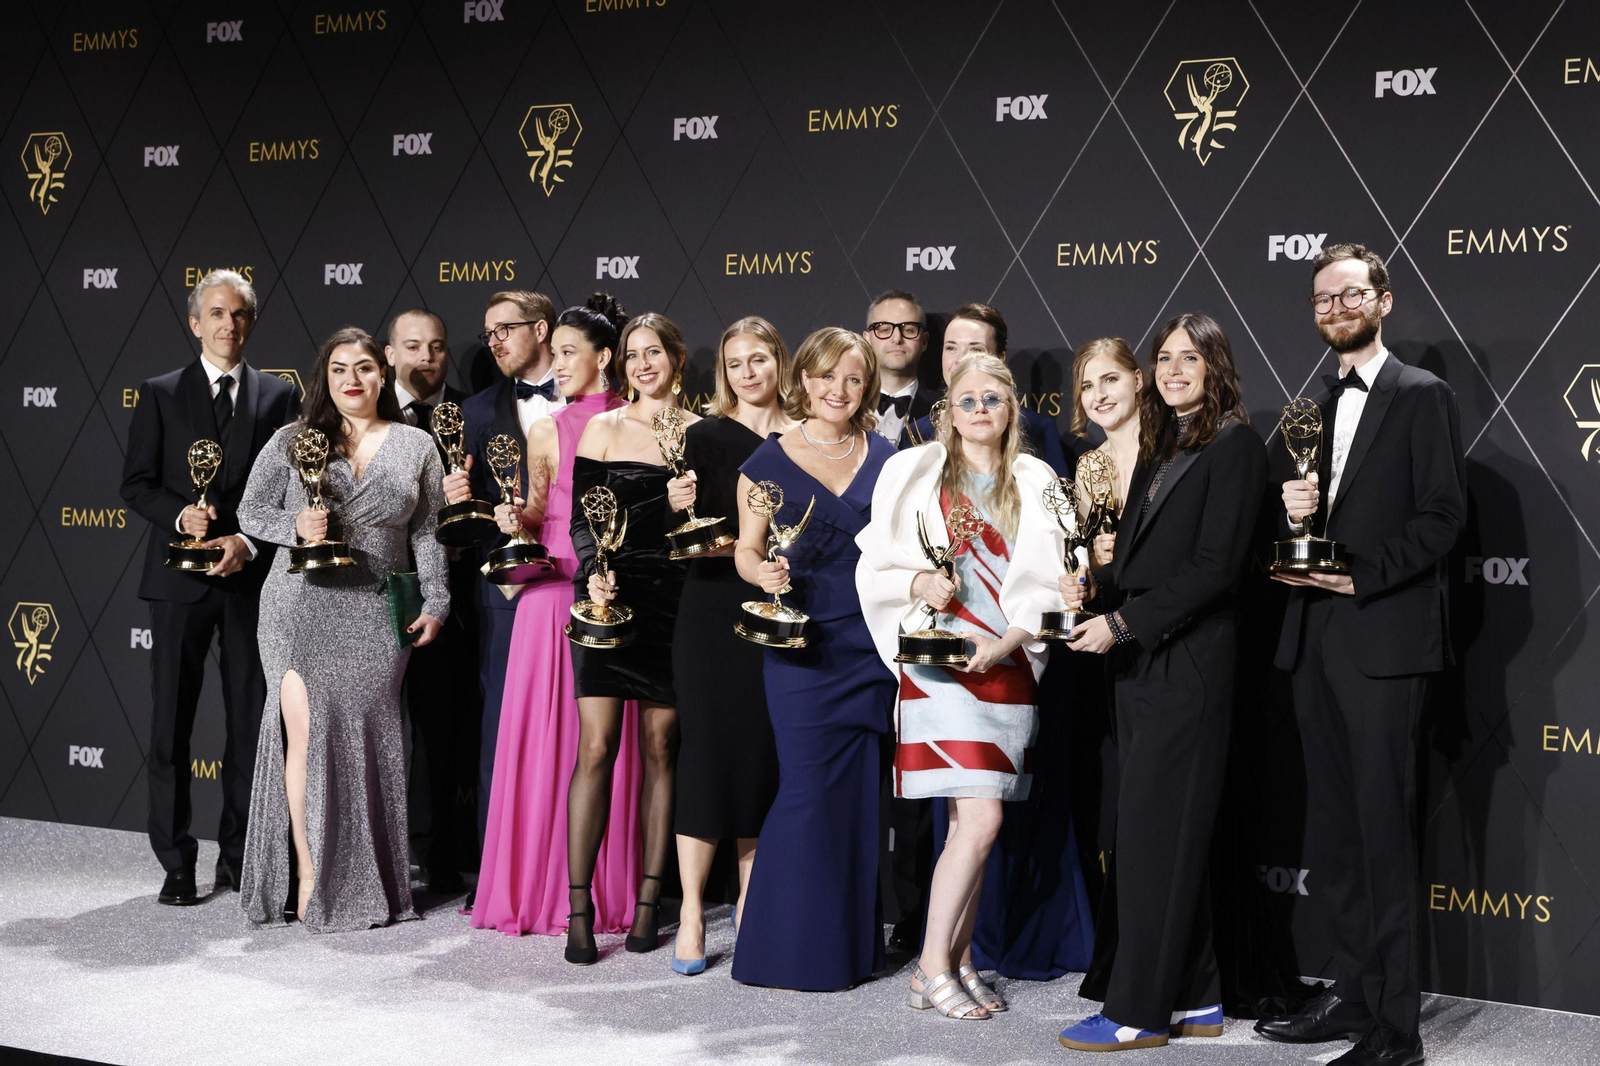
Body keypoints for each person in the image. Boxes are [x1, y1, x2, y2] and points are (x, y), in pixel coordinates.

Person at [1254, 245, 1464, 1066]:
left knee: (1381, 836)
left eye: (1349, 294)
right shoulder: (1309, 407)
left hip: (1383, 640)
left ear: (1383, 301)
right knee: (1335, 836)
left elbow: (1445, 515)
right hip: (1314, 642)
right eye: (1321, 298)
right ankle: (1350, 993)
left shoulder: (1422, 396)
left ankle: (1395, 1031)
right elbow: (1301, 534)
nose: (1334, 307)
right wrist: (1295, 511)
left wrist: (1358, 574)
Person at [1055, 313, 1265, 1051]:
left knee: (1151, 843)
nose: (1175, 369)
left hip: (1190, 666)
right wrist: (1096, 582)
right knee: (1165, 840)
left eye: (1189, 358)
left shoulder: (1236, 446)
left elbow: (1215, 568)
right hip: (1143, 667)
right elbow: (1147, 560)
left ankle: (1137, 1012)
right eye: (1165, 358)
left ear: (1215, 365)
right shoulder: (1165, 441)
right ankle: (1199, 999)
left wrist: (1121, 623)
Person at [857, 353, 1065, 1019]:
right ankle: (930, 967)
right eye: (967, 400)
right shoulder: (910, 470)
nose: (979, 410)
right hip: (938, 662)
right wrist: (919, 583)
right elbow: (874, 563)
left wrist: (1011, 639)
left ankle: (962, 954)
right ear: (947, 410)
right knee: (982, 817)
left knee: (965, 825)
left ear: (1012, 412)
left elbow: (1067, 570)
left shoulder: (1039, 478)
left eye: (993, 400)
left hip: (1009, 662)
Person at [237, 328, 450, 931]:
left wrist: (436, 600)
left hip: (375, 611)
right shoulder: (291, 440)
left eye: (363, 367)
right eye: (338, 369)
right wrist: (295, 526)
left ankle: (365, 877)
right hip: (298, 606)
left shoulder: (416, 446)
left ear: (383, 373)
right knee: (304, 737)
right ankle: (309, 873)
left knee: (367, 740)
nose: (351, 379)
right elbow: (250, 512)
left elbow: (428, 532)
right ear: (323, 379)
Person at [120, 269, 299, 906]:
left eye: (240, 315)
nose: (229, 325)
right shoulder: (161, 392)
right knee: (170, 724)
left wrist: (247, 543)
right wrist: (180, 514)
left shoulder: (278, 397)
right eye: (217, 314)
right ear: (196, 323)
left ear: (251, 323)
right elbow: (135, 482)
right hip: (178, 584)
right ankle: (174, 863)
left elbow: (287, 491)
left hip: (250, 581)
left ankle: (240, 860)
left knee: (254, 725)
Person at [729, 327, 898, 992]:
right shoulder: (764, 464)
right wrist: (760, 574)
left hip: (871, 647)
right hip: (801, 647)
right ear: (803, 378)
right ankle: (782, 949)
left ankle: (850, 947)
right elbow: (744, 550)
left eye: (853, 379)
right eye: (827, 376)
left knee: (859, 795)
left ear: (868, 388)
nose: (838, 389)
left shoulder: (888, 457)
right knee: (804, 789)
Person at [470, 294, 639, 939]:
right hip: (551, 594)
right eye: (558, 352)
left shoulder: (641, 421)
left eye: (570, 353)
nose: (560, 365)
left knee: (604, 746)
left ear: (604, 358)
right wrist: (517, 520)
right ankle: (534, 888)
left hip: (613, 591)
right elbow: (542, 512)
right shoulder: (546, 427)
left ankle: (608, 890)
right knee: (545, 742)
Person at [563, 311, 693, 964]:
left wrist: (686, 507)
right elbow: (581, 523)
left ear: (676, 357)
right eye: (633, 354)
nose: (643, 364)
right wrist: (594, 578)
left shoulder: (700, 434)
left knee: (662, 747)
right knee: (595, 747)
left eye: (655, 352)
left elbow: (709, 529)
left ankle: (649, 903)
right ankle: (579, 909)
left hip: (674, 599)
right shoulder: (603, 428)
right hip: (605, 599)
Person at [665, 317, 792, 975]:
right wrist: (674, 501)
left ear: (780, 362)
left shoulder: (803, 437)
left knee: (761, 755)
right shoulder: (702, 435)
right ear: (724, 373)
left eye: (760, 358)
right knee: (708, 755)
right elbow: (683, 532)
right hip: (712, 608)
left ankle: (751, 899)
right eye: (736, 362)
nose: (748, 372)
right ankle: (691, 909)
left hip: (782, 608)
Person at [460, 290, 566, 882]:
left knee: (579, 735)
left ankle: (569, 874)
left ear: (542, 329)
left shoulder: (595, 400)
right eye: (488, 333)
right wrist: (463, 503)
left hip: (578, 586)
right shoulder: (474, 412)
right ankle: (497, 877)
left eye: (505, 328)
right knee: (501, 732)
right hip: (505, 595)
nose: (494, 340)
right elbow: (468, 518)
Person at [385, 309, 478, 895]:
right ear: (390, 353)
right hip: (377, 597)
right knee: (379, 731)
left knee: (445, 731)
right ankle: (385, 855)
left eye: (438, 347)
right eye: (413, 346)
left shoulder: (477, 413)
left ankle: (442, 854)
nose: (427, 358)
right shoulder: (362, 414)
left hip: (457, 599)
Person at [903, 302, 1071, 477]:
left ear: (999, 358)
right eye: (951, 348)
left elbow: (1057, 498)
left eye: (975, 349)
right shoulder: (917, 431)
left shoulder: (1037, 429)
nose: (960, 360)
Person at [865, 289, 937, 448]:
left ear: (924, 341)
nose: (897, 339)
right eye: (884, 329)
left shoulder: (942, 411)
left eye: (909, 330)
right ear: (867, 340)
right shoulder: (845, 404)